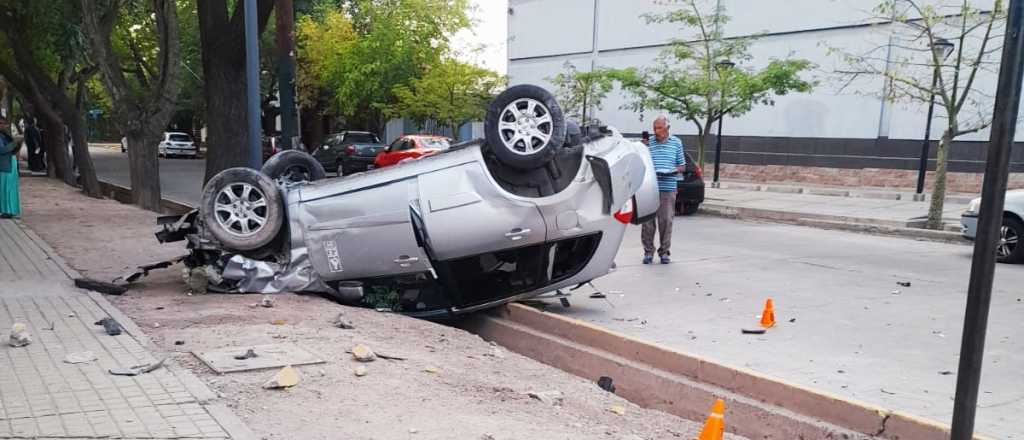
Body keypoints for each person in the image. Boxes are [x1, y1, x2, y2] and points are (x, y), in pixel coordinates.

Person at [641, 115, 685, 264]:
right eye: (654, 128)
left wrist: (674, 170)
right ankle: (648, 252)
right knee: (647, 222)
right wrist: (643, 148)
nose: (656, 131)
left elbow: (682, 166)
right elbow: (641, 163)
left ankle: (664, 252)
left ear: (667, 128)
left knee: (666, 221)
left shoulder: (676, 143)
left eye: (659, 128)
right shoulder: (649, 143)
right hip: (649, 188)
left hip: (668, 186)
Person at [0, 116, 22, 218]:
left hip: (10, 163)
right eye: (1, 123)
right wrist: (14, 143)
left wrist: (18, 144)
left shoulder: (4, 135)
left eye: (4, 123)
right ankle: (6, 211)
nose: (3, 125)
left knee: (11, 188)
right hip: (5, 165)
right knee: (6, 188)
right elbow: (2, 150)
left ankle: (11, 210)